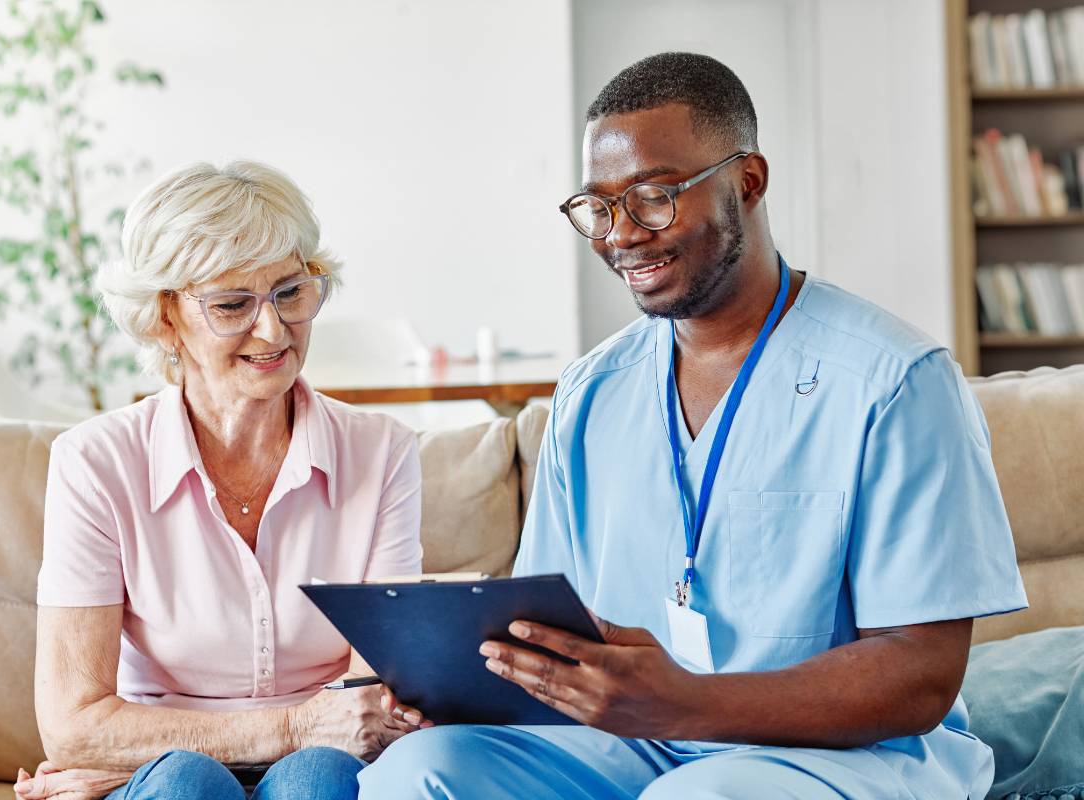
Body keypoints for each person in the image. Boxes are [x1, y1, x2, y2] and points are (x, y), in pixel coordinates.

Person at [358, 52, 1027, 799]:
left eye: (653, 198)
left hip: (846, 754)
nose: (622, 234)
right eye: (599, 208)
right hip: (636, 746)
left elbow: (921, 673)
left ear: (748, 181)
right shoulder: (589, 394)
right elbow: (550, 630)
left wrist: (686, 702)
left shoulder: (895, 381)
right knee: (418, 773)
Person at [14, 161, 428, 800]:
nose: (273, 330)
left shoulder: (382, 452)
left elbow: (372, 703)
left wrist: (124, 749)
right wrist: (291, 727)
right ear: (164, 317)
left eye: (290, 292)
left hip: (324, 763)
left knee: (319, 777)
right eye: (232, 304)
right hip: (175, 770)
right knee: (187, 779)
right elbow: (73, 726)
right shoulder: (94, 463)